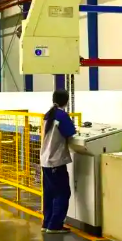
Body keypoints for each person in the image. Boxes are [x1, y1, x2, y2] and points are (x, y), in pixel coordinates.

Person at [40, 89, 76, 234]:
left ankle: (47, 222)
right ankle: (55, 225)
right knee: (63, 193)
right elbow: (70, 132)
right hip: (55, 161)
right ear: (66, 101)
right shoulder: (62, 116)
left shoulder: (48, 114)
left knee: (49, 193)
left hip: (45, 160)